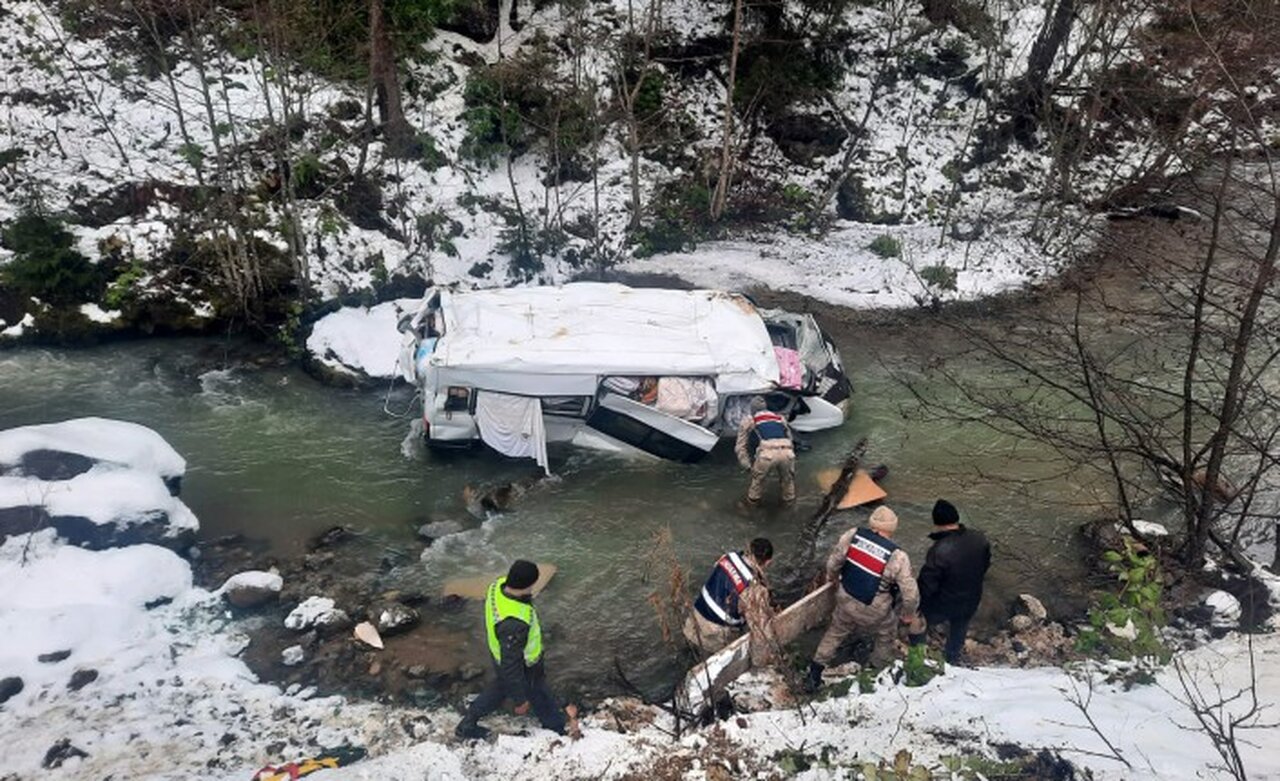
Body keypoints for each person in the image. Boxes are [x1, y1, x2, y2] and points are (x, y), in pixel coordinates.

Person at [804, 505, 921, 692]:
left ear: (872, 524)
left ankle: (814, 673)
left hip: (846, 597)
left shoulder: (853, 535)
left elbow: (833, 562)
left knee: (835, 632)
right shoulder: (898, 556)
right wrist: (908, 615)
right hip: (875, 609)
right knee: (886, 635)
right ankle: (874, 672)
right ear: (892, 528)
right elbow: (910, 594)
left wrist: (832, 578)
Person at [455, 560, 570, 739]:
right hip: (524, 665)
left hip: (498, 652)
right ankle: (557, 729)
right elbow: (511, 665)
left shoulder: (497, 586)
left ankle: (468, 722)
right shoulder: (514, 623)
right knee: (538, 692)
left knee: (501, 687)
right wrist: (520, 700)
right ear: (528, 585)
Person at [915, 499, 991, 665]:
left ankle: (918, 653)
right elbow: (985, 566)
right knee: (960, 626)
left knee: (922, 620)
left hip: (944, 604)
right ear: (957, 519)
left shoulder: (939, 551)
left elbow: (927, 585)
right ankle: (952, 657)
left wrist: (918, 604)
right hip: (971, 598)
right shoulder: (980, 539)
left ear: (937, 523)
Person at [682, 538, 779, 664]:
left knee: (685, 657)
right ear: (768, 562)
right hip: (711, 639)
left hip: (693, 623)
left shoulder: (728, 557)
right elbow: (760, 631)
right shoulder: (753, 588)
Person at [734, 396, 796, 505]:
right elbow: (790, 438)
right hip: (787, 452)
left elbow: (740, 447)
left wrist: (747, 466)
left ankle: (752, 511)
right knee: (788, 483)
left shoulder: (749, 420)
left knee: (757, 484)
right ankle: (790, 507)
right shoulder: (779, 418)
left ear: (752, 409)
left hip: (767, 455)